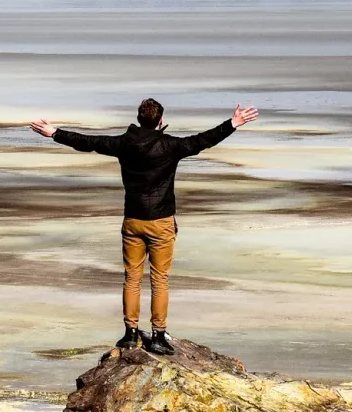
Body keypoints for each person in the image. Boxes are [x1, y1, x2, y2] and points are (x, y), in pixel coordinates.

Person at [30, 97, 258, 355]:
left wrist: (54, 133)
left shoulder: (124, 143)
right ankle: (158, 335)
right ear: (160, 121)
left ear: (140, 119)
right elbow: (202, 140)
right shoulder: (170, 145)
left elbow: (89, 142)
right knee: (160, 279)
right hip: (161, 221)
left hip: (133, 220)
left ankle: (130, 333)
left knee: (132, 278)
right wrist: (233, 123)